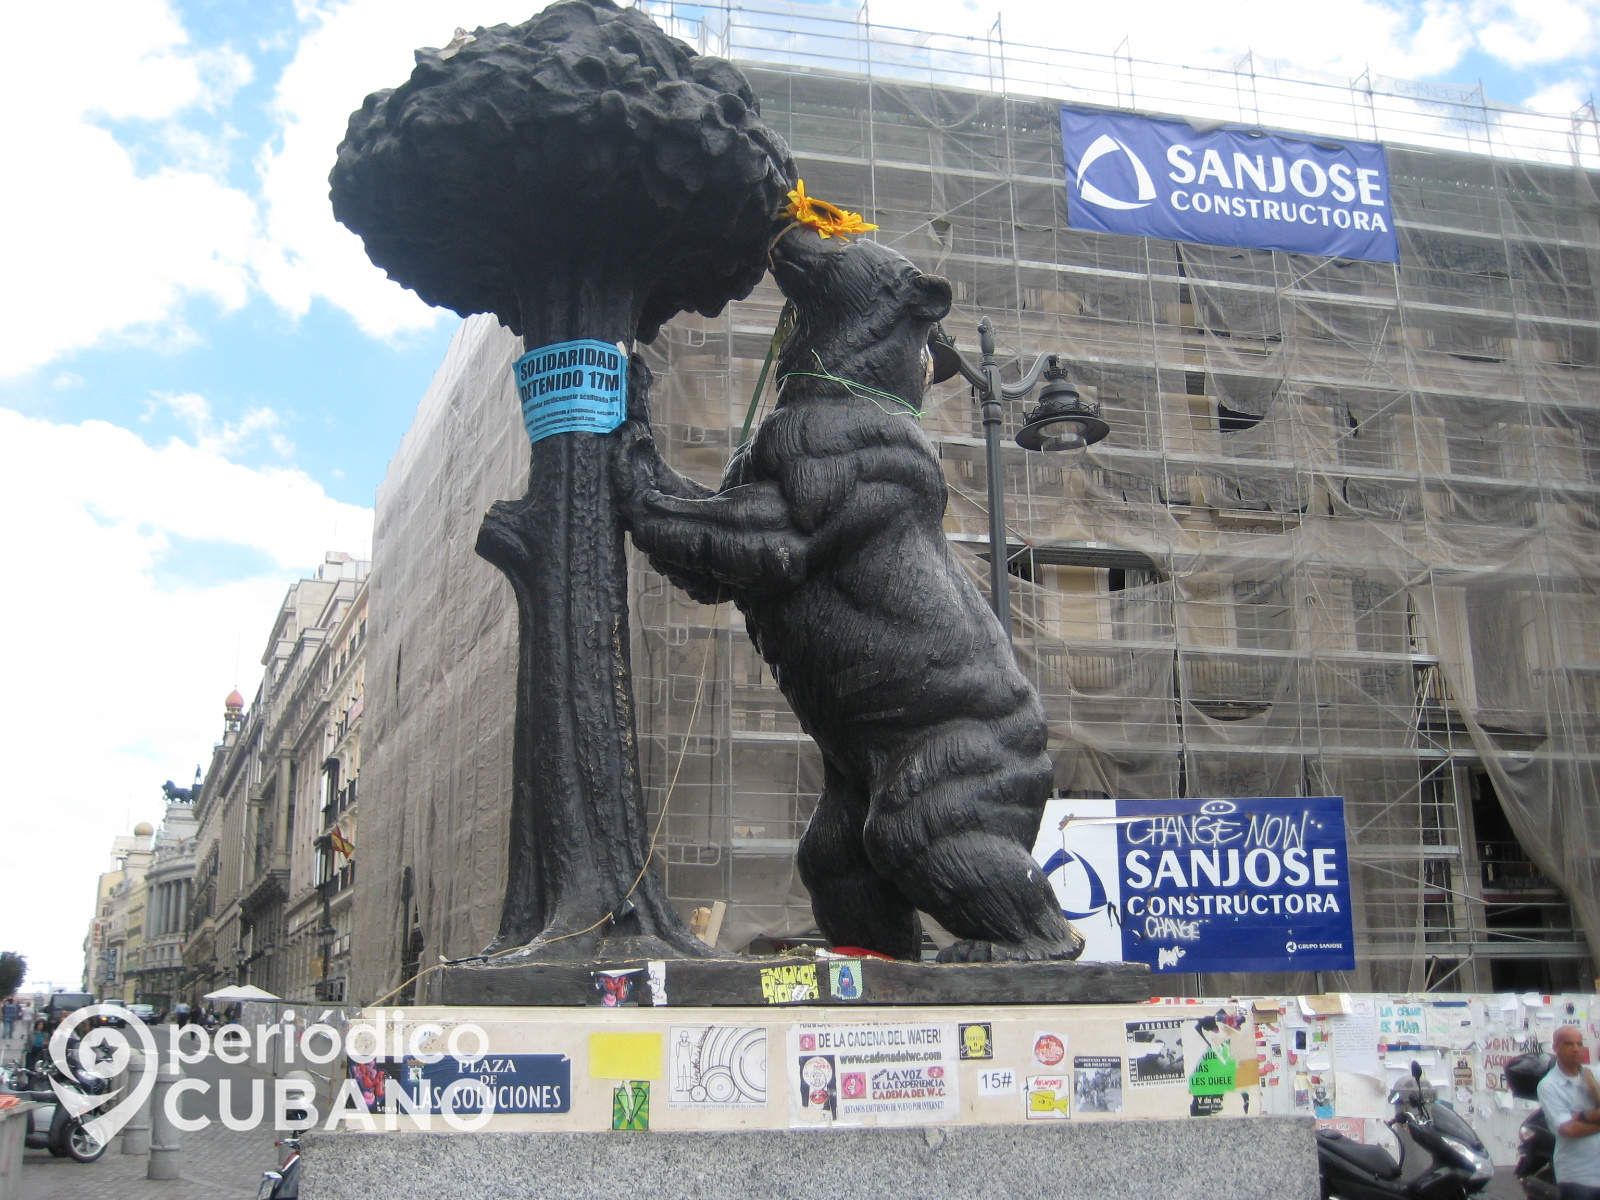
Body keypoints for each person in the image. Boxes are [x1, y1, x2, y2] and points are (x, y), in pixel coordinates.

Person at [1538, 1025, 1600, 1200]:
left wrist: (1582, 1118)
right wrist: (1590, 1116)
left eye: (1579, 1044)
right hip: (1577, 1176)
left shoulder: (1594, 1075)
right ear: (1556, 1048)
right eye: (1569, 1044)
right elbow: (1568, 1130)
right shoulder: (1549, 1085)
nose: (1575, 1049)